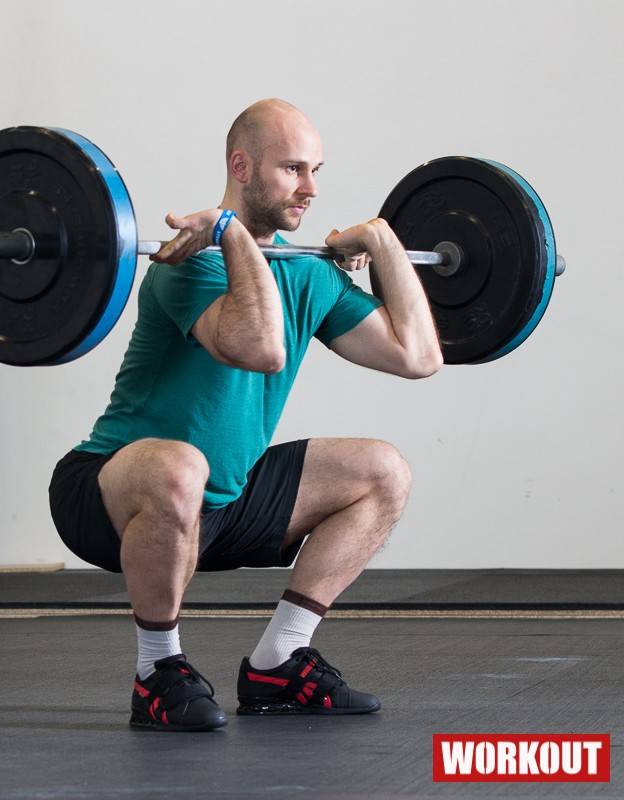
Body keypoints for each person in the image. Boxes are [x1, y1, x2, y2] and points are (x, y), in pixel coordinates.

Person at [49, 98, 443, 732]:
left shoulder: (307, 273)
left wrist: (384, 243)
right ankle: (157, 672)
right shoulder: (188, 262)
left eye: (317, 171)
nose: (310, 188)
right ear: (242, 165)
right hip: (111, 492)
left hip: (224, 500)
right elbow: (259, 348)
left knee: (382, 471)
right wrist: (232, 234)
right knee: (181, 466)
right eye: (292, 169)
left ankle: (279, 662)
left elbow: (418, 356)